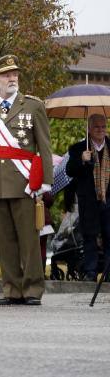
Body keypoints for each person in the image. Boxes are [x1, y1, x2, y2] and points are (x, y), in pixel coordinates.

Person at [0, 55, 52, 305]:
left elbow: (44, 146)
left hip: (24, 181)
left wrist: (46, 181)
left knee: (28, 238)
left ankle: (31, 289)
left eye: (15, 74)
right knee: (5, 239)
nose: (12, 78)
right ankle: (11, 288)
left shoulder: (32, 106)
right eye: (7, 75)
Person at [65, 114, 109, 281]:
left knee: (109, 236)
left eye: (103, 127)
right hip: (88, 200)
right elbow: (69, 171)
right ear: (89, 129)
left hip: (108, 199)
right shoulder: (78, 148)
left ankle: (107, 273)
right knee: (89, 236)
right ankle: (90, 272)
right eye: (97, 127)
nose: (101, 130)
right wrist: (82, 160)